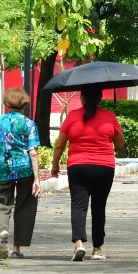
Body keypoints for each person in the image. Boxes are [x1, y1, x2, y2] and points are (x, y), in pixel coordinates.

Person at [51, 86, 124, 261]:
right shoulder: (109, 117)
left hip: (78, 167)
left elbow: (60, 144)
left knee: (78, 205)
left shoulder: (72, 116)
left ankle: (78, 244)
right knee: (99, 207)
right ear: (100, 98)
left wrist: (55, 164)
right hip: (104, 167)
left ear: (82, 98)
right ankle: (97, 248)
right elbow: (120, 144)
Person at [0, 87, 41, 260]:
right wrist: (37, 179)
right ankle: (16, 248)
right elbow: (33, 152)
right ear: (24, 104)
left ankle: (2, 230)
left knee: (0, 202)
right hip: (25, 169)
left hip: (3, 168)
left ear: (6, 103)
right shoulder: (29, 124)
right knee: (25, 206)